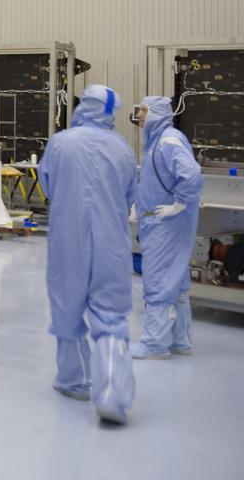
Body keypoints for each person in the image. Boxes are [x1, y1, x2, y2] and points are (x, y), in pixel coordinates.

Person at [39, 84, 137, 424]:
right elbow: (128, 196)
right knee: (110, 314)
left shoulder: (61, 142)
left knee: (67, 307)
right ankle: (112, 392)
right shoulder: (122, 148)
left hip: (68, 238)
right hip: (111, 239)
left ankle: (74, 379)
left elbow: (47, 185)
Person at [132, 96, 204, 360]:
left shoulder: (167, 141)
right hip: (161, 221)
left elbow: (192, 175)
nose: (138, 114)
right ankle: (179, 340)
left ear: (158, 113)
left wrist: (180, 204)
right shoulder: (156, 141)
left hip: (167, 225)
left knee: (159, 280)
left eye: (143, 110)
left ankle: (154, 343)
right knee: (177, 282)